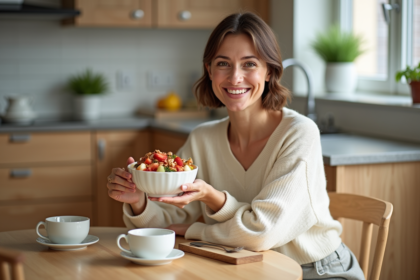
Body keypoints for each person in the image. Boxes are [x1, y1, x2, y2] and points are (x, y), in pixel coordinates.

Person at [106, 12, 365, 280]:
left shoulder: (299, 133)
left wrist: (207, 207)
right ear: (209, 70)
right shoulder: (202, 139)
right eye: (223, 63)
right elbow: (169, 224)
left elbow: (262, 232)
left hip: (315, 270)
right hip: (248, 268)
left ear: (269, 71)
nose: (235, 77)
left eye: (249, 64)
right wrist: (139, 202)